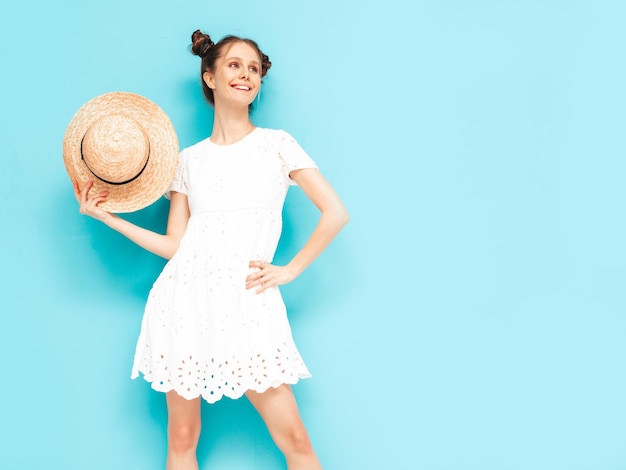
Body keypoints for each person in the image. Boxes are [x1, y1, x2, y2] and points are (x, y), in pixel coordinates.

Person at [72, 29, 349, 470]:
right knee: (182, 438)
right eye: (234, 65)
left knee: (294, 437)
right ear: (210, 78)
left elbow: (335, 212)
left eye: (254, 68)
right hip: (184, 302)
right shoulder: (188, 160)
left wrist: (290, 270)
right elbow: (173, 246)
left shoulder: (277, 144)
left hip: (247, 301)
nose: (246, 75)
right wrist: (106, 217)